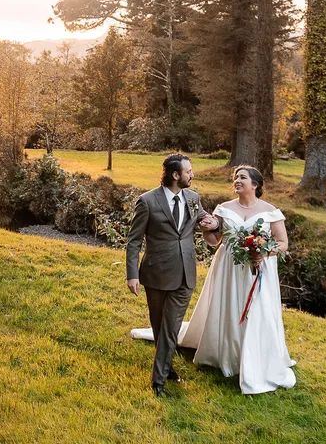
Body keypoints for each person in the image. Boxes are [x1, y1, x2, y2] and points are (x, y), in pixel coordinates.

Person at [180, 164, 297, 395]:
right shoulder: (223, 208)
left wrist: (263, 251)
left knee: (258, 312)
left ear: (255, 184)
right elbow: (215, 241)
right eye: (235, 177)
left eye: (242, 177)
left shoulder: (271, 211)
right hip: (228, 268)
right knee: (229, 307)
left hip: (259, 270)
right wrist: (207, 231)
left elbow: (283, 244)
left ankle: (257, 357)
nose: (237, 180)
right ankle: (226, 355)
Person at [124, 153, 219, 397]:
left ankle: (158, 381)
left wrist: (215, 223)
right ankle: (168, 368)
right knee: (159, 325)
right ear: (176, 175)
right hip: (156, 273)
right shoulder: (147, 201)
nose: (192, 174)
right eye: (188, 171)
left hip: (186, 274)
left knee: (170, 326)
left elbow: (206, 219)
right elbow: (134, 241)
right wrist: (132, 275)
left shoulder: (193, 198)